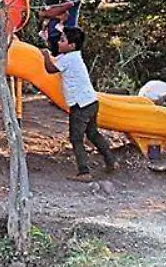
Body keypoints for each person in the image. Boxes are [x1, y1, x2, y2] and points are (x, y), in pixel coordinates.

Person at [41, 26, 117, 182]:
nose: (59, 43)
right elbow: (57, 59)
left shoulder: (68, 59)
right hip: (91, 102)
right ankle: (111, 161)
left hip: (80, 105)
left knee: (76, 138)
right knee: (93, 134)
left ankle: (84, 172)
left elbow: (50, 69)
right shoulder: (73, 56)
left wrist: (45, 55)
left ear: (72, 45)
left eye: (62, 40)